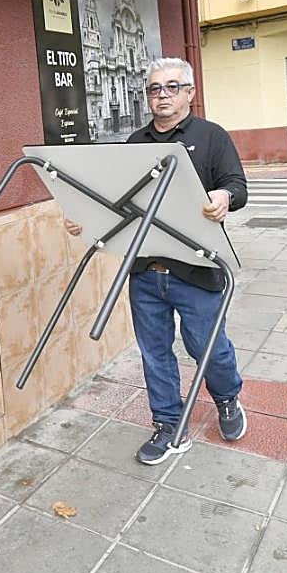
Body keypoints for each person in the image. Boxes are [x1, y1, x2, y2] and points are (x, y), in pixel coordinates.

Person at [65, 57, 249, 465]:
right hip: (145, 267)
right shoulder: (137, 142)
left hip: (196, 266)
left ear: (189, 92)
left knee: (208, 347)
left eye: (171, 87)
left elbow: (237, 185)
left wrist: (224, 198)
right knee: (154, 352)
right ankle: (168, 425)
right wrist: (87, 219)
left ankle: (227, 398)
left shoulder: (211, 136)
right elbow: (120, 201)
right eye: (154, 88)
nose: (161, 95)